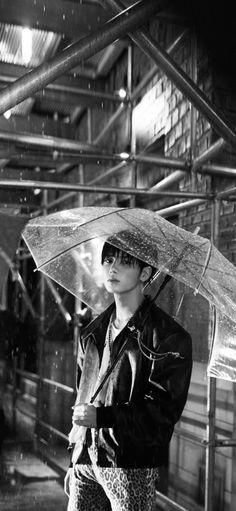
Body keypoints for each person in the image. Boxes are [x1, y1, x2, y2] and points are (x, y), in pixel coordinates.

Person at [64, 239, 192, 511]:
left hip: (129, 464)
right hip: (86, 459)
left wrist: (104, 417)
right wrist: (73, 460)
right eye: (109, 260)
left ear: (145, 274)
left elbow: (161, 414)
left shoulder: (168, 338)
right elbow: (82, 396)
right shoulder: (93, 332)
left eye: (124, 262)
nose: (113, 268)